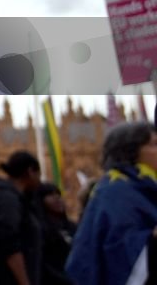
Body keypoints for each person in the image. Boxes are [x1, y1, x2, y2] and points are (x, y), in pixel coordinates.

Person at [66, 121, 157, 285]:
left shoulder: (144, 187)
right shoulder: (117, 192)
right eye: (154, 144)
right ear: (131, 151)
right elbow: (122, 257)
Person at [0, 150, 44, 285]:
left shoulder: (17, 199)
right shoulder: (7, 199)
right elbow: (9, 244)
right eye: (39, 174)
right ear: (31, 171)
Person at [36, 182, 75, 285]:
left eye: (58, 194)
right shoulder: (40, 230)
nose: (57, 198)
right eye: (50, 195)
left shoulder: (72, 227)